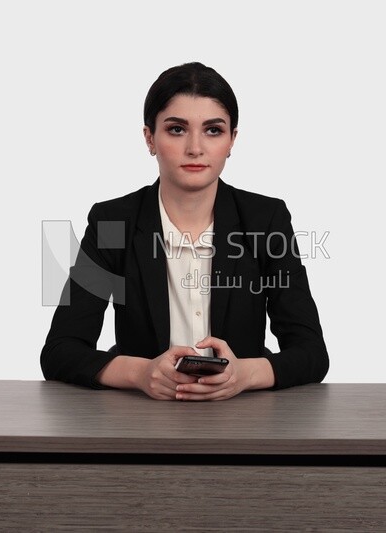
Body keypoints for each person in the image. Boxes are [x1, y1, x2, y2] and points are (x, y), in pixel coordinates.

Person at [41, 62, 329, 401]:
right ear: (149, 137)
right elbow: (60, 350)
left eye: (213, 130)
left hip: (244, 419)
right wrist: (140, 373)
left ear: (232, 140)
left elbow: (311, 353)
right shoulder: (112, 223)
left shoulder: (265, 221)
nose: (195, 147)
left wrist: (244, 375)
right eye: (177, 129)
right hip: (140, 418)